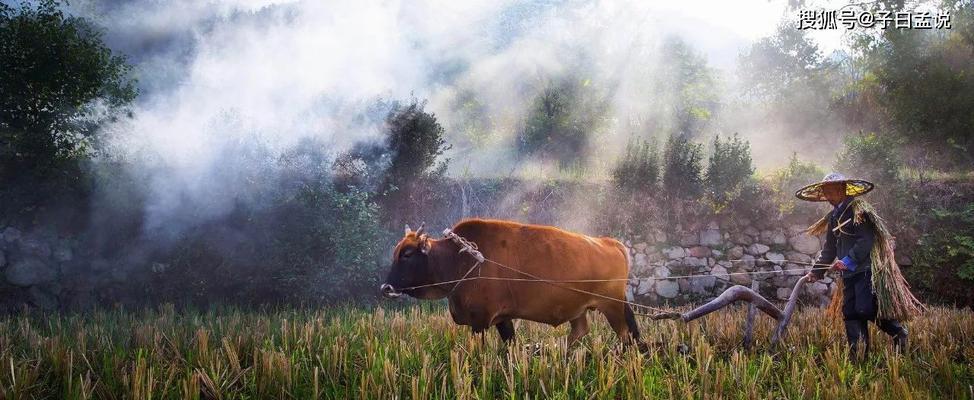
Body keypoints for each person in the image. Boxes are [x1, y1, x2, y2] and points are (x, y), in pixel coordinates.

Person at [797, 172, 908, 358]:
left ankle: (898, 332)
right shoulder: (833, 217)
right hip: (848, 274)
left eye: (829, 190)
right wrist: (816, 272)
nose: (827, 195)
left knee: (865, 308)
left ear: (841, 189)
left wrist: (847, 261)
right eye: (824, 191)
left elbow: (866, 240)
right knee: (850, 312)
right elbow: (829, 249)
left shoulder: (858, 210)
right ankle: (859, 355)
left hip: (865, 269)